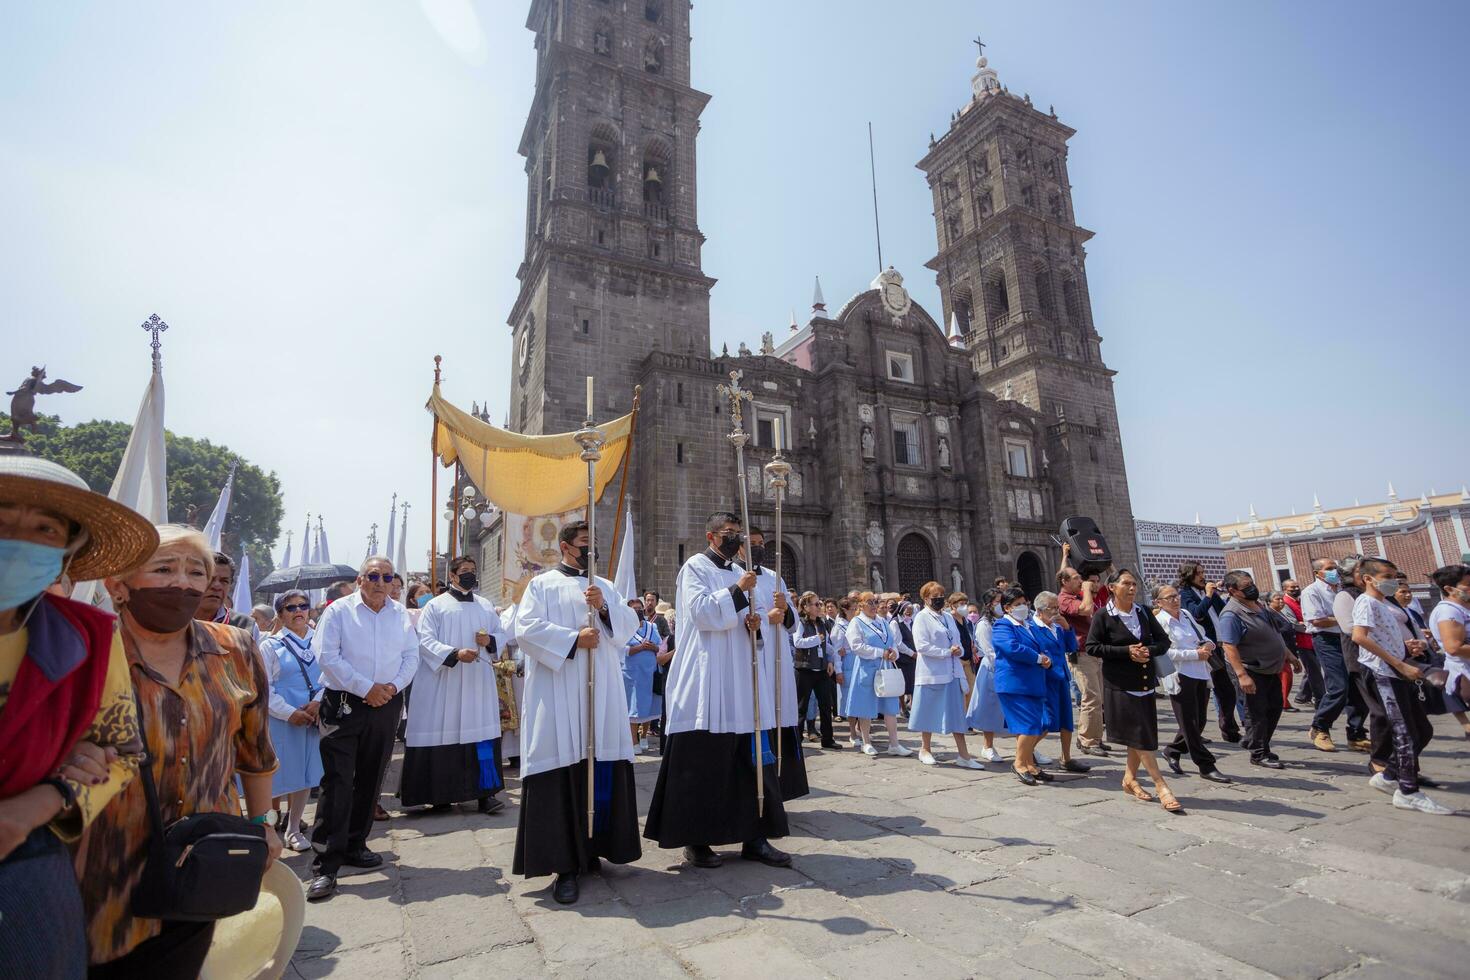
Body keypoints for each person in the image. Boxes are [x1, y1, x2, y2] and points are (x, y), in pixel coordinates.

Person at [83, 524, 281, 976]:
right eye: (164, 568)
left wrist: (262, 823)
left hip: (205, 863)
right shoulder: (87, 649)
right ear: (118, 585)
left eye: (197, 572)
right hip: (105, 867)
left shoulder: (235, 649)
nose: (184, 583)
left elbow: (255, 751)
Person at [0, 454, 153, 978]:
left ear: (68, 552)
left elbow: (125, 754)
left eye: (44, 527)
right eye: (1, 520)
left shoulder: (89, 635)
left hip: (25, 854)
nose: (17, 538)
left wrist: (35, 806)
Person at [647, 512, 803, 872]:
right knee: (703, 763)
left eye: (738, 533)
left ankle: (755, 836)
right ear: (710, 536)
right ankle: (696, 841)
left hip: (741, 677)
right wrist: (737, 592)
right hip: (707, 677)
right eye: (728, 533)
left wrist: (755, 625)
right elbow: (701, 613)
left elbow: (756, 621)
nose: (734, 539)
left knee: (748, 763)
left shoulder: (739, 572)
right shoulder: (695, 567)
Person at [513, 521, 641, 904]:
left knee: (600, 765)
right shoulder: (542, 585)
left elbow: (627, 628)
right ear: (566, 547)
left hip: (601, 691)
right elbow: (527, 629)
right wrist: (573, 639)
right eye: (585, 542)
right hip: (559, 693)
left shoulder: (607, 587)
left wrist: (603, 609)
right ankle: (564, 865)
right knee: (562, 765)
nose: (591, 549)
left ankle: (597, 846)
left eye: (594, 543)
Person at [307, 555, 418, 901]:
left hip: (386, 703)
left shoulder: (399, 614)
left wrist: (391, 688)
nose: (381, 582)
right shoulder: (339, 611)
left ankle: (356, 844)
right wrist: (364, 687)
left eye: (387, 577)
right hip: (344, 703)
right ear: (360, 579)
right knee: (339, 781)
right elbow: (326, 655)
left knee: (371, 778)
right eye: (373, 575)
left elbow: (411, 656)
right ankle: (326, 864)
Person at [399, 556, 508, 816]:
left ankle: (486, 794)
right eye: (464, 571)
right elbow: (424, 641)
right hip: (444, 682)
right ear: (453, 576)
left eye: (473, 570)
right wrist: (454, 653)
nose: (470, 574)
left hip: (476, 683)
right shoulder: (436, 606)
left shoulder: (485, 605)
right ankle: (440, 795)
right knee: (442, 732)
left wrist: (490, 639)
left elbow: (502, 635)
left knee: (480, 735)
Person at [1351, 558, 1452, 814]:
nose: (1392, 581)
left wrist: (1407, 648)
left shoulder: (1383, 603)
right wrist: (1400, 663)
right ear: (1368, 579)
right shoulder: (1366, 601)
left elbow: (1382, 637)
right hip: (1383, 673)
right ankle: (1408, 790)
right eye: (1387, 576)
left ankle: (1389, 776)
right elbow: (1359, 637)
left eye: (1393, 576)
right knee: (1405, 733)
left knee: (1422, 730)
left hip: (1396, 669)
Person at [1085, 568, 1181, 814]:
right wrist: (1127, 652)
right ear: (1112, 587)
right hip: (1119, 685)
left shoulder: (1144, 613)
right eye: (1126, 583)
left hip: (1145, 682)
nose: (1132, 588)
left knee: (1138, 737)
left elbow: (1164, 642)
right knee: (1141, 737)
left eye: (1134, 584)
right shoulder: (1103, 616)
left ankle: (1129, 779)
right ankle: (1161, 785)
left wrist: (1148, 650)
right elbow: (1093, 647)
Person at [1217, 571, 1299, 770]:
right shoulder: (1231, 614)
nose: (1251, 588)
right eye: (1246, 586)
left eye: (1251, 583)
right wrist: (1242, 675)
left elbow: (1274, 634)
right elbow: (1229, 646)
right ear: (1233, 591)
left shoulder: (1259, 606)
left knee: (1274, 707)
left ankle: (1256, 741)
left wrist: (1289, 654)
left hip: (1272, 668)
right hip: (1252, 669)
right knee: (1257, 713)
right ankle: (1259, 753)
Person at [262, 589, 323, 851]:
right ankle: (267, 827)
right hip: (281, 720)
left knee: (306, 775)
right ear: (280, 614)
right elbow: (264, 687)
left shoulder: (320, 641)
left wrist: (319, 702)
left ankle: (294, 828)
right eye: (291, 607)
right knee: (274, 780)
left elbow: (330, 674)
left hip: (313, 717)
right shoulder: (269, 645)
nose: (298, 611)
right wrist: (290, 713)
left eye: (303, 605)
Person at [1152, 585, 1231, 783]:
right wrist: (1194, 654)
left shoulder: (1186, 614)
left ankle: (1173, 750)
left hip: (1200, 672)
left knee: (1200, 720)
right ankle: (1206, 764)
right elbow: (1164, 652)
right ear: (1158, 602)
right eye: (1169, 597)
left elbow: (1201, 635)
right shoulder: (1159, 622)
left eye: (1176, 595)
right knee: (1188, 722)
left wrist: (1208, 644)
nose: (1175, 600)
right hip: (1179, 675)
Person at [909, 581, 983, 769]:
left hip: (951, 672)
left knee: (957, 713)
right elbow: (922, 646)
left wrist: (957, 650)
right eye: (935, 597)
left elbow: (955, 639)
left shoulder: (948, 618)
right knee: (928, 711)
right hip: (931, 673)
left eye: (941, 596)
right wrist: (946, 651)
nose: (939, 600)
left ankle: (964, 755)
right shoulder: (922, 618)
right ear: (926, 599)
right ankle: (925, 749)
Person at [1302, 557, 1371, 752]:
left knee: (1358, 685)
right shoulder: (1311, 592)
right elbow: (1317, 620)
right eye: (1329, 568)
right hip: (1327, 640)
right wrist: (1344, 617)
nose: (1334, 571)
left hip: (1347, 639)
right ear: (1318, 573)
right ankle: (1320, 726)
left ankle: (1356, 732)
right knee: (1338, 686)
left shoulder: (1343, 589)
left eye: (1335, 567)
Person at [1176, 561, 1241, 744]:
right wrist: (1208, 596)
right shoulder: (1185, 595)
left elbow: (1223, 610)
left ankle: (1229, 728)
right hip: (1202, 649)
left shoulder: (1207, 591)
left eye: (1203, 572)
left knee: (1227, 691)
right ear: (1189, 576)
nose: (1203, 576)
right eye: (1199, 573)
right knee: (1201, 695)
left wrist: (1217, 594)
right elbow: (1196, 614)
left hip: (1216, 647)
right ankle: (1192, 732)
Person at [992, 587, 1052, 784]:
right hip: (1014, 683)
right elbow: (1011, 648)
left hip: (1032, 682)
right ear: (1007, 608)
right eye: (1017, 604)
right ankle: (1019, 763)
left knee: (1036, 725)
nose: (1023, 607)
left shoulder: (1029, 626)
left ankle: (1029, 764)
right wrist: (1037, 658)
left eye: (1024, 603)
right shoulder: (1002, 625)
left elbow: (1042, 646)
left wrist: (1045, 658)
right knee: (1028, 725)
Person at [843, 591, 913, 757]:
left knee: (890, 706)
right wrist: (879, 652)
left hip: (885, 667)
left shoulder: (883, 621)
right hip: (867, 668)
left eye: (875, 602)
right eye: (870, 602)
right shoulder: (857, 622)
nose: (874, 606)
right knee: (866, 706)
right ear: (860, 605)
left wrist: (894, 652)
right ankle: (866, 742)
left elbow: (892, 641)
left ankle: (894, 743)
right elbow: (856, 646)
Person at [1029, 592, 1090, 773]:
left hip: (1061, 676)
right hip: (1045, 678)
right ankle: (1024, 751)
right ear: (1040, 611)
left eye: (1057, 608)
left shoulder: (1057, 626)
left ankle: (1066, 757)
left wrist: (1068, 629)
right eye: (1052, 608)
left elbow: (1071, 647)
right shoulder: (1032, 627)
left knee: (1066, 720)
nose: (1056, 611)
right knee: (1048, 721)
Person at [1057, 564, 1110, 756]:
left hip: (1094, 651)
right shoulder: (1064, 599)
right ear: (1065, 581)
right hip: (1080, 653)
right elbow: (1086, 609)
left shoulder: (1079, 594)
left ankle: (1094, 737)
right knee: (1091, 697)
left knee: (1099, 697)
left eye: (1081, 578)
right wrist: (1087, 590)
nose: (1081, 581)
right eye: (1076, 578)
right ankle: (1087, 740)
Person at [963, 587, 1008, 762]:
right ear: (989, 604)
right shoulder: (984, 625)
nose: (1001, 605)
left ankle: (1027, 747)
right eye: (998, 601)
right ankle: (987, 746)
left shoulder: (1007, 621)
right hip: (993, 669)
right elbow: (989, 652)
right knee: (990, 707)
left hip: (1010, 669)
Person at [793, 592, 842, 750]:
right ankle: (797, 740)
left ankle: (827, 739)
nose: (819, 607)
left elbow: (827, 645)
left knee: (825, 705)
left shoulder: (821, 623)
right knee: (802, 706)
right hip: (805, 669)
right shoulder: (800, 622)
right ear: (806, 607)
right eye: (816, 604)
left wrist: (831, 660)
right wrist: (816, 639)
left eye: (819, 604)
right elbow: (798, 642)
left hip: (820, 669)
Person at [1428, 564, 1470, 740]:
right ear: (1449, 589)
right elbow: (1453, 647)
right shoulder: (1448, 611)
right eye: (1468, 584)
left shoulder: (1464, 608)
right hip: (1464, 672)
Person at [624, 596, 663, 754]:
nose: (638, 611)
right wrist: (640, 647)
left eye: (640, 609)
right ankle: (633, 742)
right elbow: (624, 650)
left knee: (648, 705)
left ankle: (644, 736)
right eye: (634, 609)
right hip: (632, 674)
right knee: (634, 706)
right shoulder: (625, 627)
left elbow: (658, 647)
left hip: (649, 672)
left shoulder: (651, 627)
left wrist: (651, 647)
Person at [196, 551, 260, 640]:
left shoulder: (246, 626)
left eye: (224, 581)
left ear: (230, 585)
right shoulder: (175, 621)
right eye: (210, 578)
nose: (217, 586)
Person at [1280, 579, 1323, 707]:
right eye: (1292, 588)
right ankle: (1320, 698)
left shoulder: (1299, 600)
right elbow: (1293, 624)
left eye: (1297, 586)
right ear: (1285, 589)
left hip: (1310, 639)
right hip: (1301, 641)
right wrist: (1311, 624)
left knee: (1312, 670)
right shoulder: (1286, 603)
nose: (1295, 589)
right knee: (1314, 671)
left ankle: (1302, 696)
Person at [1266, 591, 1298, 712]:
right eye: (1277, 599)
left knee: (1287, 676)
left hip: (1288, 649)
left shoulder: (1280, 613)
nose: (1281, 601)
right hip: (1279, 651)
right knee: (1285, 676)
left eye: (1281, 599)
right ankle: (1283, 702)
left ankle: (1284, 701)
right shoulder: (1270, 614)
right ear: (1269, 602)